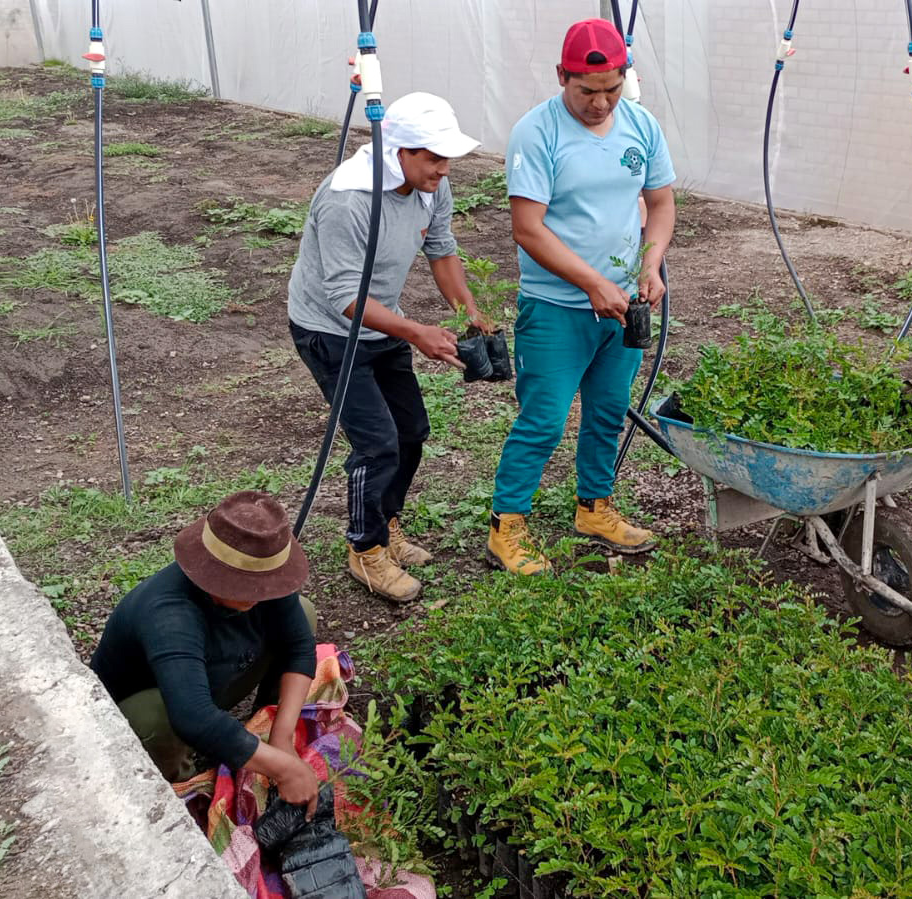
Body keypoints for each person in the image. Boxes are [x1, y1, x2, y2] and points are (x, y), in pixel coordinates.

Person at [487, 18, 677, 575]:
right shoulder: (536, 133)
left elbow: (661, 204)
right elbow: (529, 229)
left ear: (625, 79)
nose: (600, 104)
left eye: (611, 90)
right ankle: (507, 527)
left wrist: (650, 261)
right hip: (556, 308)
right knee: (543, 419)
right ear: (561, 77)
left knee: (608, 411)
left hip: (623, 307)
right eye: (586, 91)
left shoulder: (640, 127)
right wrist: (591, 284)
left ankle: (594, 507)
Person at [287, 91, 490, 602]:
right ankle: (365, 548)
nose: (444, 169)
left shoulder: (429, 187)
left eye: (448, 158)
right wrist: (417, 332)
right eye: (434, 157)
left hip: (385, 323)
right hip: (331, 331)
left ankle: (388, 523)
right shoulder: (347, 199)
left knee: (411, 433)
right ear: (398, 151)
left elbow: (441, 249)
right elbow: (345, 298)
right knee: (376, 443)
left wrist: (468, 311)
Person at [90, 490, 324, 812]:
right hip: (158, 706)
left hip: (211, 677)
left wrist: (282, 739)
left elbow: (299, 646)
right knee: (154, 717)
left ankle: (261, 731)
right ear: (214, 573)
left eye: (264, 584)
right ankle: (185, 786)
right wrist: (286, 770)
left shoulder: (264, 571)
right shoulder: (168, 613)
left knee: (303, 612)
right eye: (246, 586)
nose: (259, 593)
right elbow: (192, 716)